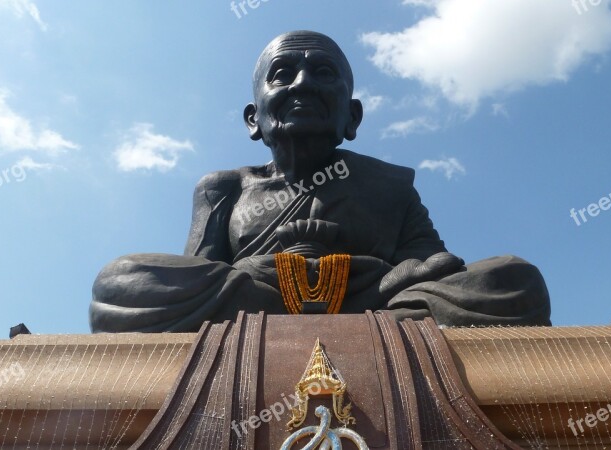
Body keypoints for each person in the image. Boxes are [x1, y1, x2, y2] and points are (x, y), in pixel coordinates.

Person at [90, 31, 551, 333]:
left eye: (323, 73)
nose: (302, 84)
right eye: (282, 74)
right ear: (254, 118)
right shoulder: (223, 187)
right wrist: (255, 273)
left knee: (513, 280)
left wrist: (364, 272)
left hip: (372, 302)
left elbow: (435, 268)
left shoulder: (388, 184)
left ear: (352, 116)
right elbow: (198, 277)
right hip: (255, 299)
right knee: (121, 281)